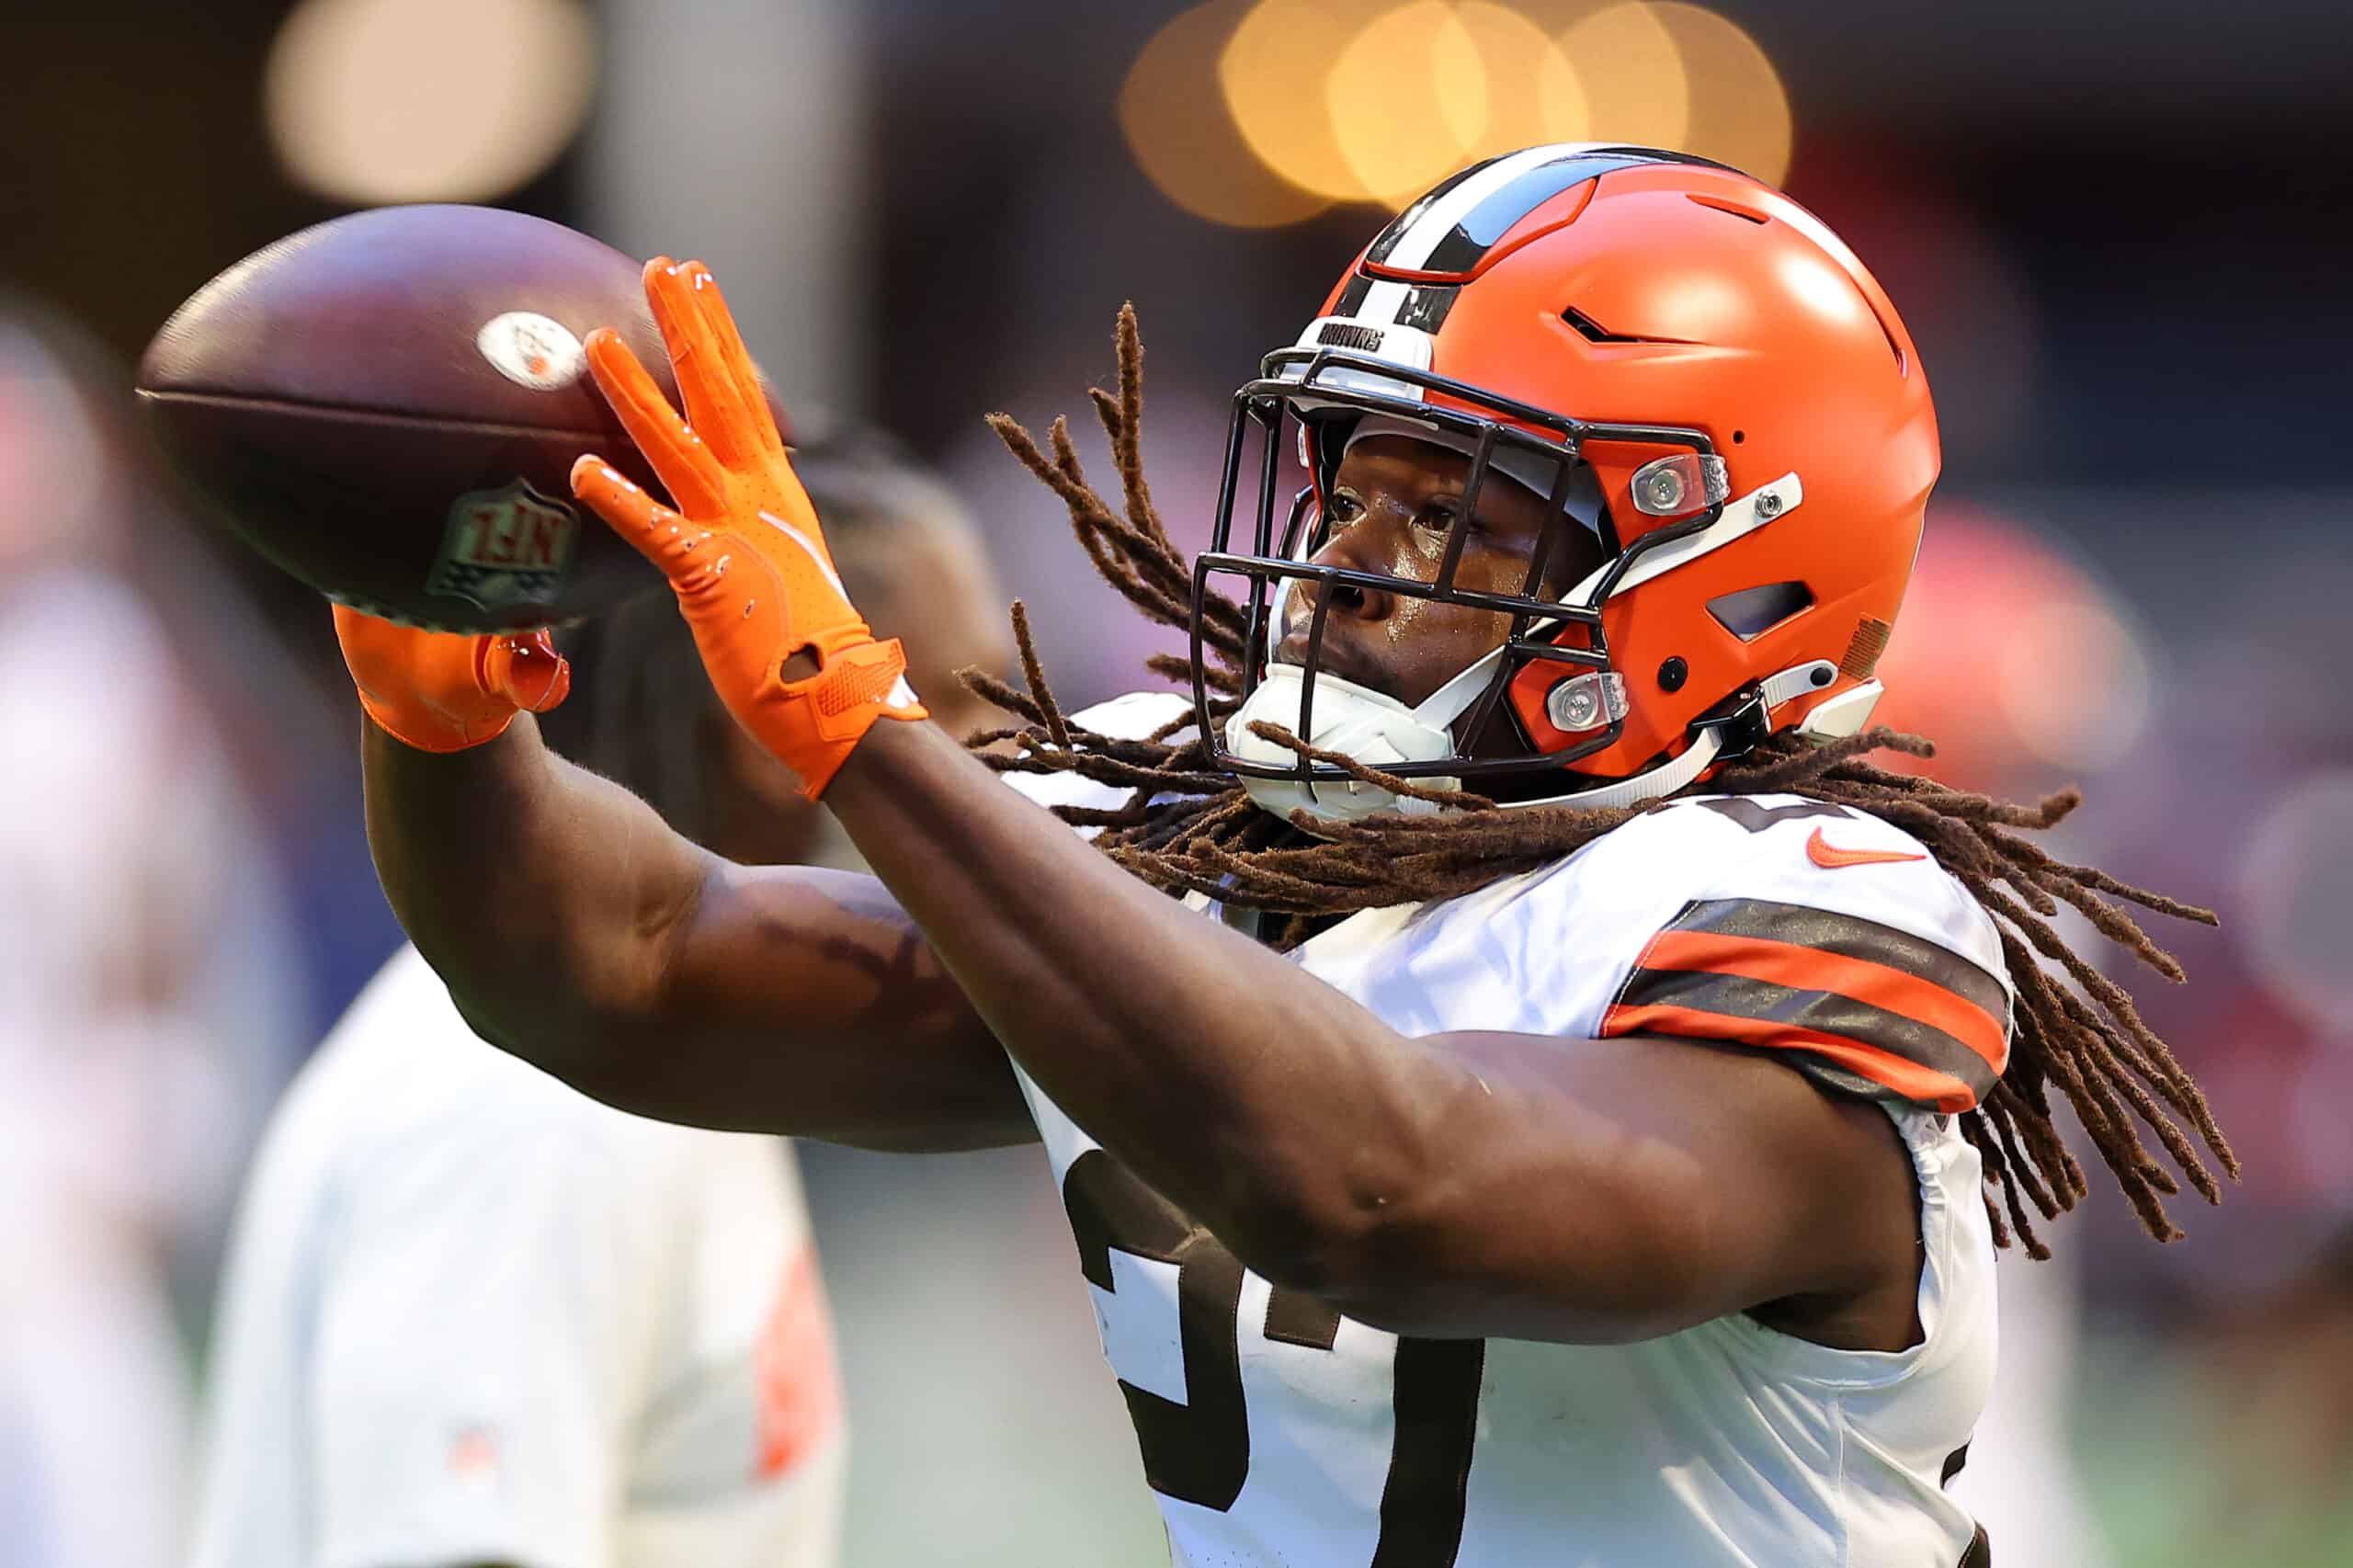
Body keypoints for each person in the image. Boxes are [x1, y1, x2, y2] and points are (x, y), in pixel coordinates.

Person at [331, 146, 2237, 1566]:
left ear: (1713, 570)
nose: (1344, 567)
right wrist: (443, 714)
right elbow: (625, 966)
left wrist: (863, 728)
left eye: (1456, 513)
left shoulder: (1823, 904)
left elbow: (1386, 1191)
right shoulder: (1230, 848)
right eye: (1349, 480)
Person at [188, 433, 1011, 1568]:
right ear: (781, 727)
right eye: (966, 724)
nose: (1016, 783)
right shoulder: (533, 1113)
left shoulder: (680, 1058)